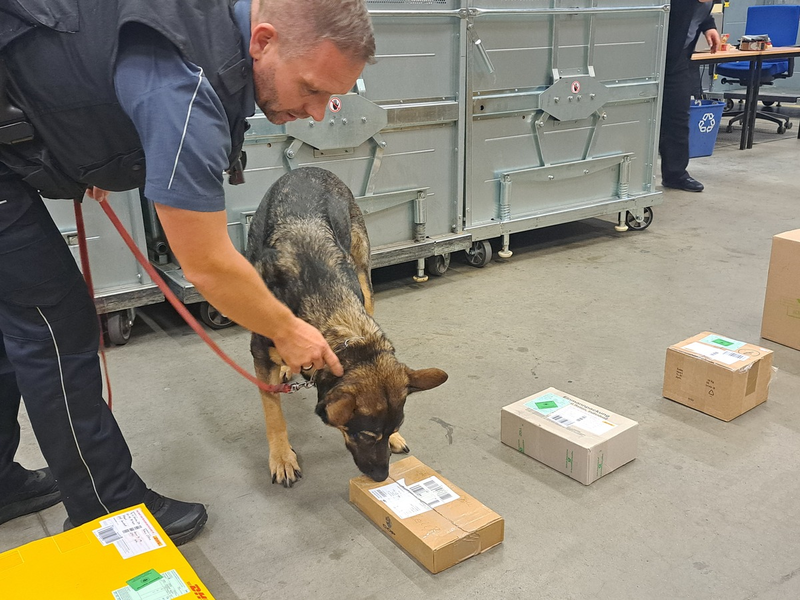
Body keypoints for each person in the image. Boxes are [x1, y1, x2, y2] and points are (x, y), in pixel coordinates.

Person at [0, 0, 373, 545]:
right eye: (311, 89)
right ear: (263, 41)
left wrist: (84, 148)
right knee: (54, 323)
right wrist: (288, 330)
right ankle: (106, 507)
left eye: (332, 99)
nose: (318, 114)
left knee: (12, 319)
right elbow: (207, 265)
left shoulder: (210, 28)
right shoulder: (186, 88)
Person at [660, 0, 718, 193]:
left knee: (677, 117)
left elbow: (701, 13)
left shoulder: (706, 2)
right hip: (653, 58)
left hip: (678, 62)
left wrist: (708, 27)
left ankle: (675, 174)